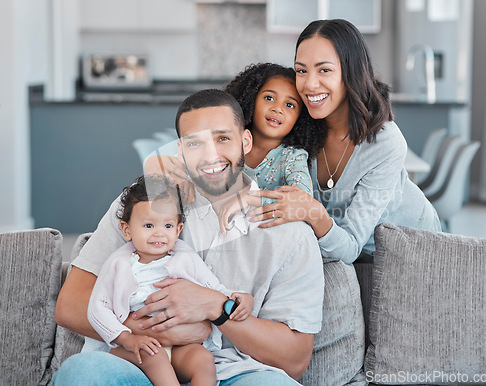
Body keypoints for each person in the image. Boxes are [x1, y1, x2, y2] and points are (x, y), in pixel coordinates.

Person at [53, 89, 324, 385]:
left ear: (245, 141)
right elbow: (70, 305)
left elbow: (295, 359)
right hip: (138, 362)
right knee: (81, 373)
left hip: (240, 372)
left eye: (223, 138)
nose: (211, 156)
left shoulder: (290, 232)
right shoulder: (144, 205)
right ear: (181, 150)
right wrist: (156, 332)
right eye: (196, 143)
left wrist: (216, 308)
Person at [246, 19, 441, 264]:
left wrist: (313, 212)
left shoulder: (385, 143)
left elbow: (349, 246)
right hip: (344, 248)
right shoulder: (302, 122)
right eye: (301, 70)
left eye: (324, 70)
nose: (309, 84)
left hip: (412, 246)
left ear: (351, 72)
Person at [84, 174, 253, 386]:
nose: (159, 234)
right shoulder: (119, 263)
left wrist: (238, 298)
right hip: (136, 347)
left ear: (178, 229)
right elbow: (97, 308)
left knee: (203, 360)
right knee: (154, 356)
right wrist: (126, 338)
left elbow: (214, 287)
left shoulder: (185, 257)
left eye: (167, 226)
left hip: (182, 347)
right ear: (127, 230)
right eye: (148, 226)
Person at [216, 63, 326, 233]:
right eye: (269, 98)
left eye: (289, 105)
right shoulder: (228, 143)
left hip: (270, 234)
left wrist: (249, 199)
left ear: (300, 118)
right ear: (251, 100)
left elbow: (302, 200)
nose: (277, 108)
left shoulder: (292, 156)